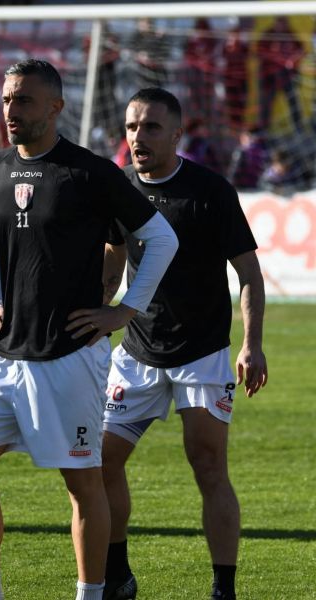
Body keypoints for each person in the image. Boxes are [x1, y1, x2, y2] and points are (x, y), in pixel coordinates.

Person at [0, 60, 179, 600]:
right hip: (4, 354)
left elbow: (162, 239)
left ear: (55, 107)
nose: (11, 110)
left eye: (24, 100)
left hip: (69, 357)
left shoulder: (90, 173)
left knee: (81, 483)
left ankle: (91, 594)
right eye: (7, 99)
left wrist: (125, 310)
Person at [101, 87, 268, 600]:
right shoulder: (119, 187)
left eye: (151, 127)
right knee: (100, 462)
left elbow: (248, 274)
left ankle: (223, 589)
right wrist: (96, 315)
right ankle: (117, 577)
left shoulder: (210, 191)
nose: (138, 137)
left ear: (177, 134)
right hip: (136, 352)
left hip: (201, 353)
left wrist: (251, 344)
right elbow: (112, 262)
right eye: (132, 127)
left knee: (208, 465)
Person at [227, 126, 268, 190]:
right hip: (257, 184)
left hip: (244, 185)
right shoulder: (262, 149)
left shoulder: (242, 151)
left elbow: (234, 170)